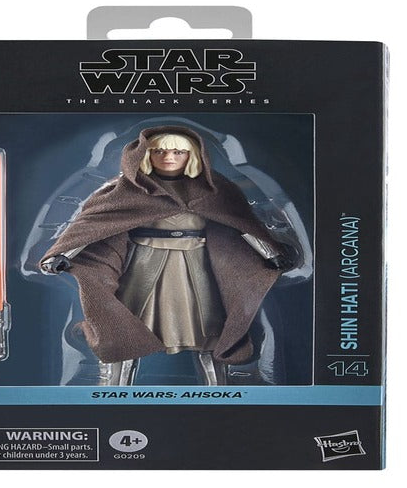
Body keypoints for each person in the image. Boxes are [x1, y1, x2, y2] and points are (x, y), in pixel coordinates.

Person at [40, 125, 293, 385]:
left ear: (192, 156)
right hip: (142, 266)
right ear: (145, 155)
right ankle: (115, 389)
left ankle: (217, 390)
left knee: (209, 329)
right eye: (159, 151)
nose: (168, 157)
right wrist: (60, 254)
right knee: (124, 328)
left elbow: (241, 223)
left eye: (178, 152)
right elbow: (93, 225)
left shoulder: (214, 190)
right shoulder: (124, 190)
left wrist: (271, 252)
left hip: (196, 267)